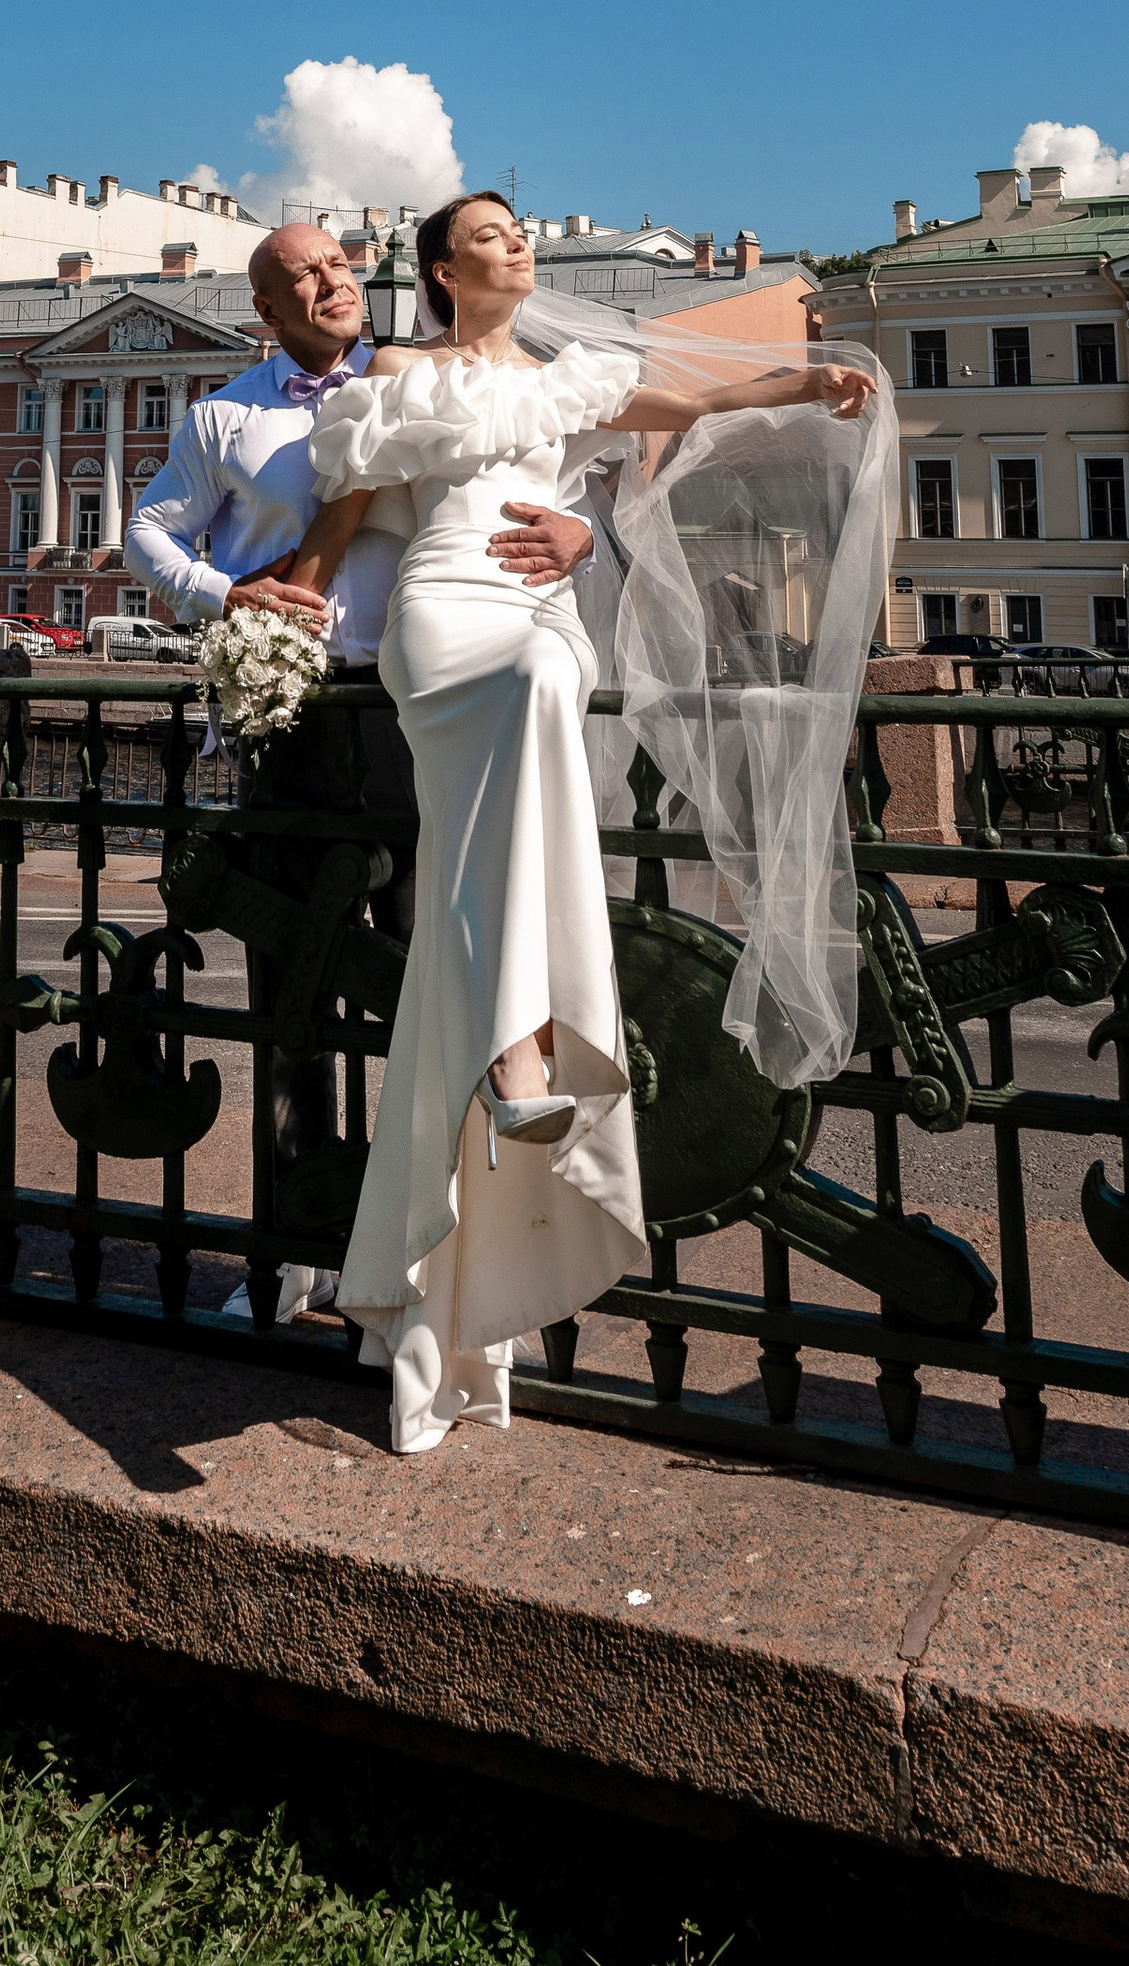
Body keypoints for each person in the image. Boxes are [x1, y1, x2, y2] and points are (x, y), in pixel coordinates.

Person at [285, 190, 878, 1456]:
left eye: (519, 233)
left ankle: (503, 1081)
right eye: (489, 237)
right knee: (534, 692)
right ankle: (522, 1054)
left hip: (540, 616)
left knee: (495, 814)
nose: (518, 247)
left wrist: (804, 379)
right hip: (449, 618)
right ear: (441, 268)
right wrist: (286, 597)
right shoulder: (394, 369)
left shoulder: (568, 376)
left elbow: (699, 405)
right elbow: (343, 509)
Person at [123, 220, 601, 1315]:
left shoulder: (439, 378)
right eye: (301, 275)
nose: (329, 280)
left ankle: (436, 1267)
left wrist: (579, 531)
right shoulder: (226, 413)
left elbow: (555, 471)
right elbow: (150, 531)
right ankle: (298, 1253)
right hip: (294, 711)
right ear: (269, 311)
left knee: (431, 981)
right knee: (293, 989)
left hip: (419, 709)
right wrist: (225, 594)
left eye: (337, 263)